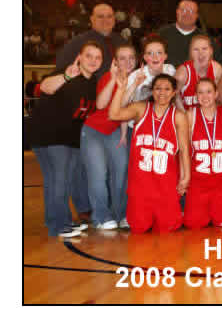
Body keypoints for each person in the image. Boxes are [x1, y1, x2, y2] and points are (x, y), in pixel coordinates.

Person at [28, 41, 104, 237]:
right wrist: (66, 76)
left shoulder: (93, 82)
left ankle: (57, 221)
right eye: (88, 56)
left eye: (97, 57)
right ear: (79, 57)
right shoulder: (67, 72)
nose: (93, 60)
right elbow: (45, 87)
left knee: (58, 181)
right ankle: (59, 225)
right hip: (49, 135)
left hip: (69, 139)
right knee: (59, 180)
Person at [109, 73, 191, 233]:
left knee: (169, 228)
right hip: (140, 185)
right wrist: (121, 89)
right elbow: (113, 114)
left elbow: (184, 149)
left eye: (167, 89)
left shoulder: (179, 116)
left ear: (174, 92)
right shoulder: (141, 108)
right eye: (158, 88)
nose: (162, 92)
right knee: (139, 228)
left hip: (165, 185)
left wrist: (186, 176)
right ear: (152, 91)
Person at [80, 44, 137, 230]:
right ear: (115, 61)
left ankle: (121, 214)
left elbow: (124, 108)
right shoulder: (107, 76)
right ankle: (101, 217)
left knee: (121, 172)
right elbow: (101, 105)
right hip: (93, 130)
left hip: (114, 131)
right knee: (98, 173)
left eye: (131, 57)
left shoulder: (136, 78)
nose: (127, 62)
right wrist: (113, 79)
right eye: (122, 58)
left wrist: (123, 133)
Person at [183, 78, 222, 229]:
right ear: (196, 96)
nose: (205, 96)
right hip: (198, 181)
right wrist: (185, 177)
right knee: (193, 225)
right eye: (200, 92)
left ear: (216, 94)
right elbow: (184, 150)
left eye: (209, 92)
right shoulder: (190, 115)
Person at [55, 3, 125, 80]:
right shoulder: (77, 42)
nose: (105, 20)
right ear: (92, 19)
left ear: (114, 19)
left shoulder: (121, 40)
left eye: (109, 16)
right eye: (100, 16)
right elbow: (61, 69)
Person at [158, 0, 222, 69]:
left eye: (191, 11)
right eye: (183, 10)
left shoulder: (206, 39)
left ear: (197, 15)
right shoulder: (162, 34)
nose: (187, 14)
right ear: (177, 12)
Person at [175, 34, 222, 110]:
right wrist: (184, 114)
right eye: (196, 49)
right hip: (187, 114)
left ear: (211, 51)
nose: (201, 53)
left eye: (204, 49)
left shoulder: (217, 70)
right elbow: (174, 96)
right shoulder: (182, 73)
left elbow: (219, 98)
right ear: (191, 53)